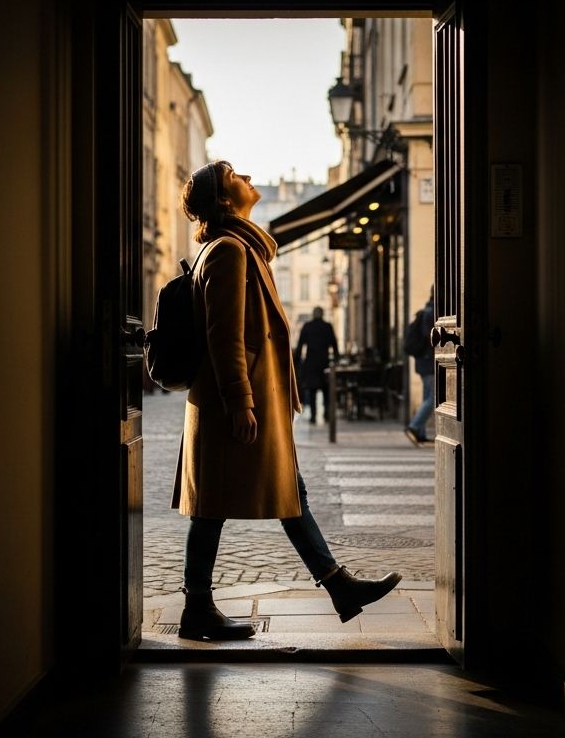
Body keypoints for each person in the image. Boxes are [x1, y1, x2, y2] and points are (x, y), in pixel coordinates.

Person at [172, 160, 402, 640]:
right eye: (235, 174)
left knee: (285, 492)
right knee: (213, 505)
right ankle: (198, 608)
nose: (249, 177)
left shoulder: (240, 248)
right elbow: (224, 336)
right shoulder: (229, 251)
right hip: (236, 401)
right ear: (223, 200)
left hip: (252, 398)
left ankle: (338, 587)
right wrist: (240, 402)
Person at [294, 306, 338, 424]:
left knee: (312, 391)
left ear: (313, 314)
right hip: (324, 363)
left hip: (311, 363)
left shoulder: (307, 327)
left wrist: (296, 361)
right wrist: (336, 360)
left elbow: (300, 345)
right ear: (322, 314)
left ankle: (313, 416)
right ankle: (327, 415)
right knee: (326, 390)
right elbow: (334, 344)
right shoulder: (327, 327)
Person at [404, 287, 435, 446]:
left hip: (423, 361)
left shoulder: (426, 310)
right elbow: (429, 336)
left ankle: (420, 433)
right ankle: (415, 426)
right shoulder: (432, 312)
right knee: (434, 397)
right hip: (429, 361)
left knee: (427, 396)